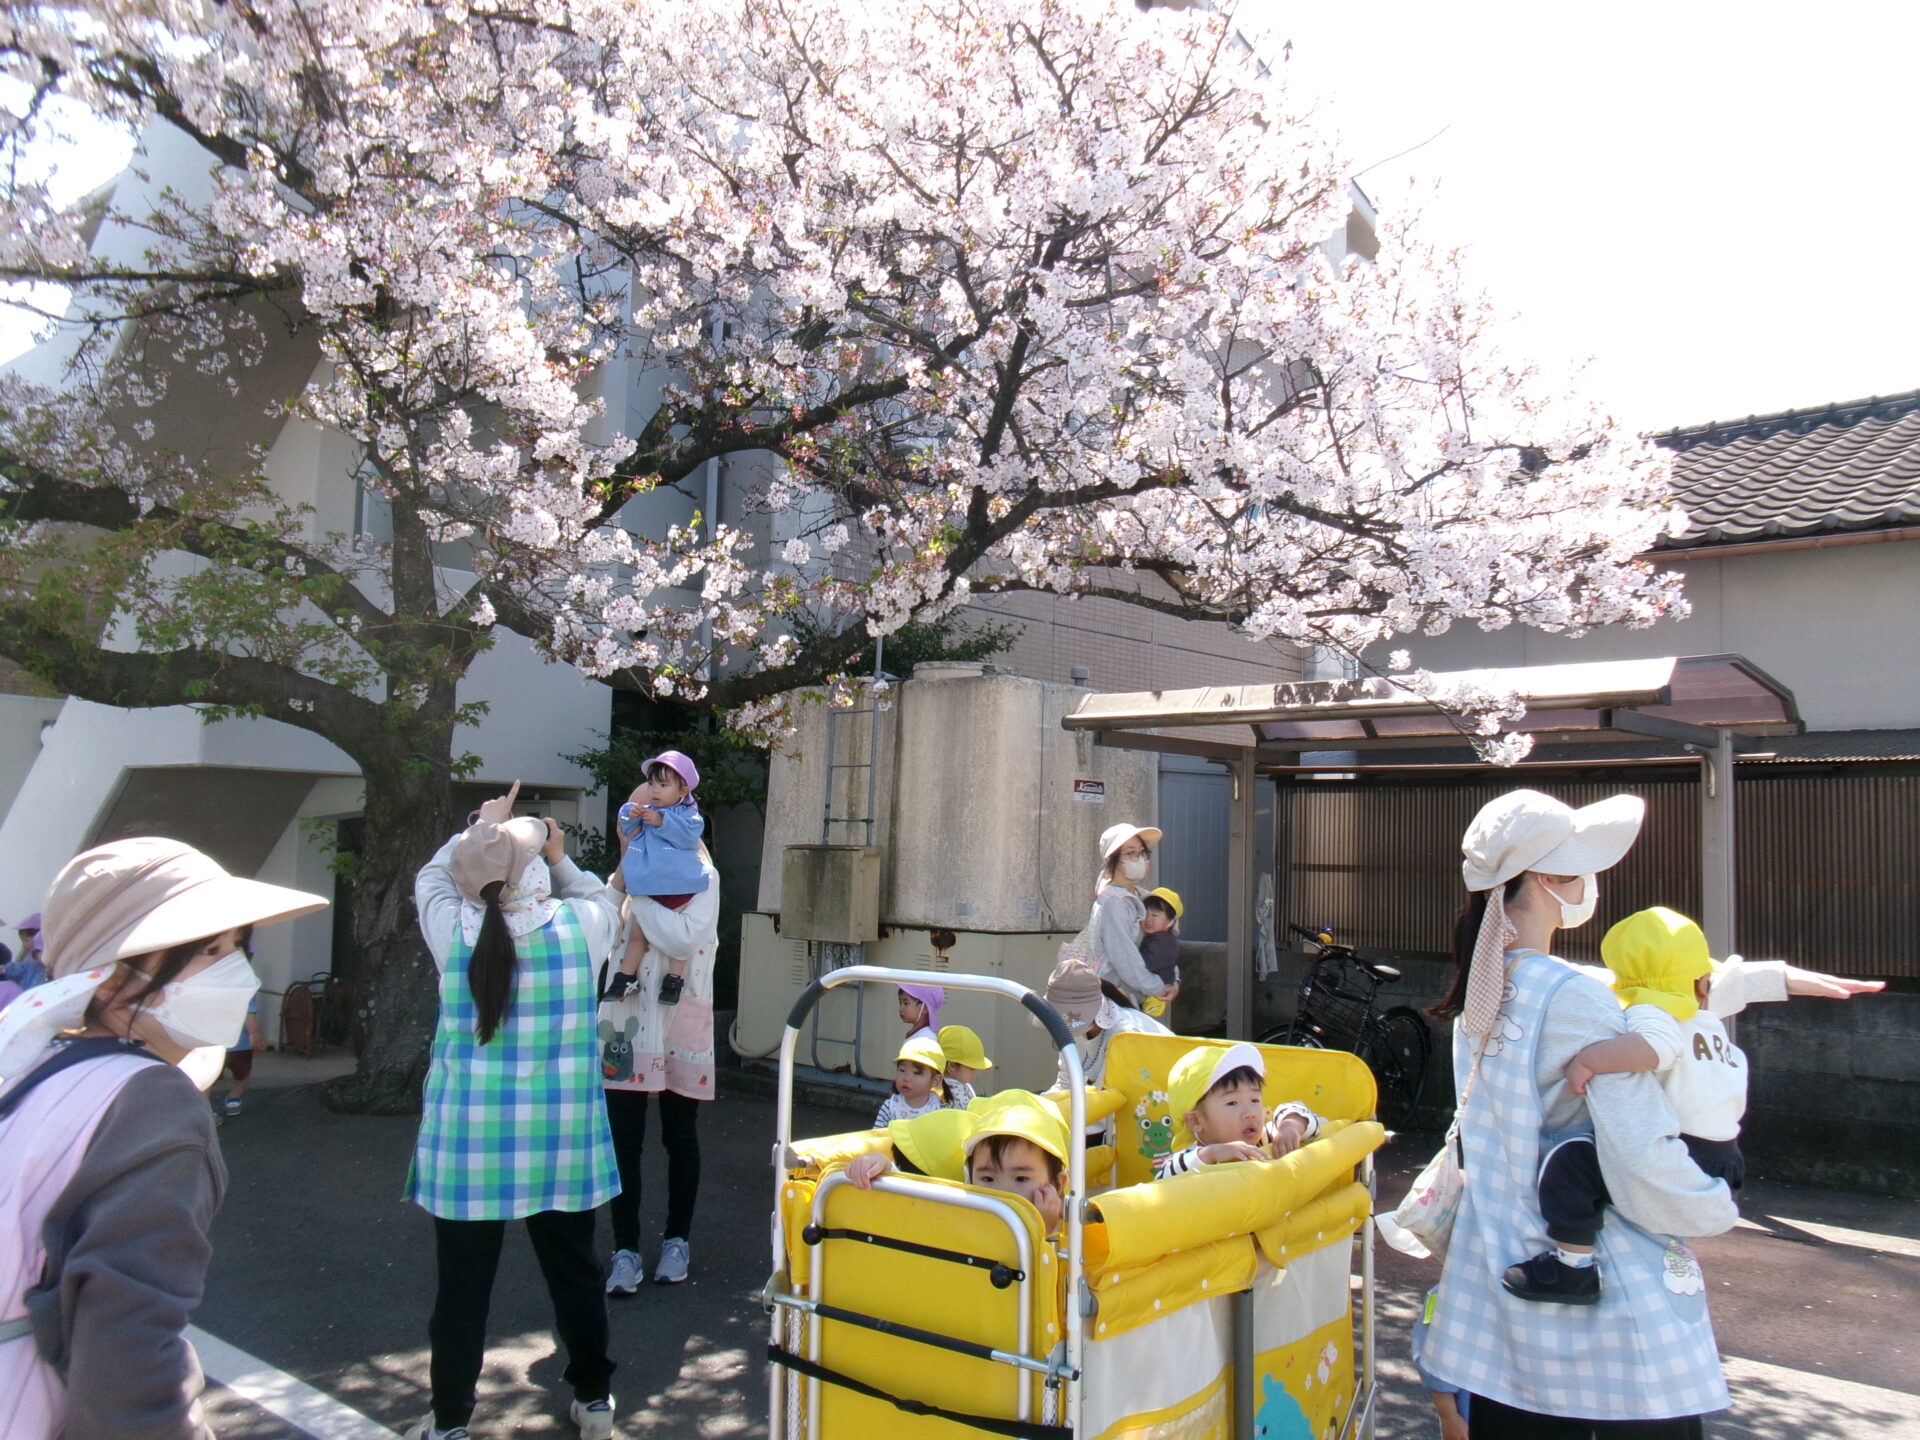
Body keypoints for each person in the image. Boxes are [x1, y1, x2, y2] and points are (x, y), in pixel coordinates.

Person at [1419, 787, 1869, 1437]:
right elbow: (1637, 1151)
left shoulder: (1480, 998)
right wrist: (1711, 1202)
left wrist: (1771, 977)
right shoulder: (1579, 998)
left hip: (1502, 1309)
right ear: (1549, 878)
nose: (1593, 881)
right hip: (1608, 1319)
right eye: (1584, 866)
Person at [0, 837, 326, 1440]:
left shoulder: (37, 1062)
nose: (239, 971)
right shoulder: (150, 1102)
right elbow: (131, 1347)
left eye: (236, 946)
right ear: (113, 982)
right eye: (209, 949)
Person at [408, 783, 622, 1440]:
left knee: (463, 1290)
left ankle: (449, 1423)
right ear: (535, 869)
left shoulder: (451, 930)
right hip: (561, 1137)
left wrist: (480, 830)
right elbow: (599, 896)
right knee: (576, 1274)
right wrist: (558, 857)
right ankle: (593, 1400)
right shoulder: (580, 929)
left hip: (470, 1141)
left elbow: (431, 876)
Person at [598, 820, 722, 1294]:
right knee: (623, 1141)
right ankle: (624, 1249)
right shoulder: (620, 888)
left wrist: (642, 891)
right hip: (625, 1028)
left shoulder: (702, 879)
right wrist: (623, 877)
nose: (636, 832)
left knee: (679, 1136)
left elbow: (683, 939)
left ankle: (677, 1239)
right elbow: (596, 928)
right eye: (627, 824)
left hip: (678, 1023)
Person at [613, 751, 707, 1005]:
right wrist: (628, 814)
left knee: (680, 939)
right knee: (637, 934)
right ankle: (625, 976)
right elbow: (628, 833)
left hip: (678, 885)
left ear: (683, 790)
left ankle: (675, 979)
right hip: (648, 885)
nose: (654, 790)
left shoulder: (689, 815)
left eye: (663, 785)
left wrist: (662, 820)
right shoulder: (649, 810)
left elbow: (690, 835)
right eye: (652, 783)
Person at [1151, 1042, 1324, 1179]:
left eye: (1255, 1100)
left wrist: (1290, 1126)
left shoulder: (1261, 1142)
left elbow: (1303, 1113)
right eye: (1232, 1103)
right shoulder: (1191, 1159)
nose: (1250, 1112)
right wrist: (1213, 1154)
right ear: (1195, 1121)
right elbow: (1163, 1178)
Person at [1044, 956, 1170, 1096]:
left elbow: (1112, 1095)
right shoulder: (1076, 1027)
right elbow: (1066, 1084)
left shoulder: (1125, 1033)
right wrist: (1040, 1106)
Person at [1083, 823, 1176, 1008]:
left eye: (1142, 852)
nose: (1139, 858)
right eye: (1130, 853)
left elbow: (1166, 939)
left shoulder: (1141, 896)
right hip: (1111, 1000)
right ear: (1114, 860)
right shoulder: (1113, 903)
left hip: (1129, 998)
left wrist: (1174, 981)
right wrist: (1159, 987)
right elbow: (1125, 960)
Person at [961, 1092, 1070, 1240]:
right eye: (987, 1179)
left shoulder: (1070, 1241)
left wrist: (1042, 1231)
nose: (1003, 1192)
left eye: (1020, 1179)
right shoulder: (961, 1225)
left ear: (1058, 1184)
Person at [217, 945, 266, 1118]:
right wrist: (254, 1033)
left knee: (206, 1079)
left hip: (211, 1042)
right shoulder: (245, 981)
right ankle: (233, 1099)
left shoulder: (211, 978)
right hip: (239, 1041)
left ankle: (207, 1111)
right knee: (242, 1075)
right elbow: (249, 1010)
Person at [875, 1033, 949, 1125]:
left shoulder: (940, 1109)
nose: (906, 1078)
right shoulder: (890, 1107)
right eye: (902, 1070)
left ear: (935, 1080)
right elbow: (877, 1137)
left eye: (916, 1073)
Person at [1138, 888, 1183, 1018]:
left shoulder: (1161, 942)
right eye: (1145, 914)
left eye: (1155, 915)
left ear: (1170, 922)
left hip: (1155, 996)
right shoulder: (1160, 938)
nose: (1148, 920)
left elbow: (1144, 965)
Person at [938, 1024, 992, 1108]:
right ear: (952, 1066)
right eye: (972, 1069)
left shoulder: (930, 1085)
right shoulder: (956, 1094)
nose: (975, 1073)